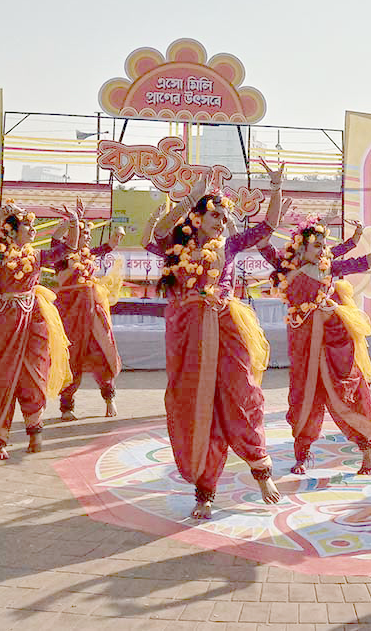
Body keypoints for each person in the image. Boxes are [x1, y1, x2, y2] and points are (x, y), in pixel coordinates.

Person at [151, 159, 286, 519]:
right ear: (198, 217)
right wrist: (190, 197)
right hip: (188, 334)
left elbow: (268, 226)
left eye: (225, 219)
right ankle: (205, 491)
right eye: (216, 216)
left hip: (226, 326)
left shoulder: (229, 245)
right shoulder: (174, 247)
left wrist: (275, 188)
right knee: (196, 406)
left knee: (240, 395)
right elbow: (160, 233)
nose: (222, 223)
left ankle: (261, 471)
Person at [271, 218, 371, 476]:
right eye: (316, 246)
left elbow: (359, 263)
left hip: (333, 338)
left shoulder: (328, 268)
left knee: (346, 388)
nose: (321, 250)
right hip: (303, 342)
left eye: (324, 245)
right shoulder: (286, 270)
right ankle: (301, 454)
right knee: (305, 394)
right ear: (301, 249)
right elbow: (264, 248)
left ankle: (367, 448)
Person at [0, 202, 73, 460]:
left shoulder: (36, 256)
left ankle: (35, 433)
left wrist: (73, 223)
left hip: (31, 319)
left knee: (34, 374)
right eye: (28, 225)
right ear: (12, 229)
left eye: (34, 226)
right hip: (1, 321)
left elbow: (67, 249)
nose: (33, 230)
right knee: (0, 378)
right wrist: (2, 213)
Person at [51, 204, 124, 421]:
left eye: (89, 233)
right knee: (71, 356)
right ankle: (66, 407)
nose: (88, 237)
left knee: (101, 350)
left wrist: (117, 236)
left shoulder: (88, 254)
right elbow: (56, 237)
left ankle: (109, 398)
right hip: (69, 313)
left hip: (92, 310)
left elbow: (107, 247)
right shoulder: (61, 254)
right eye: (85, 233)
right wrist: (72, 221)